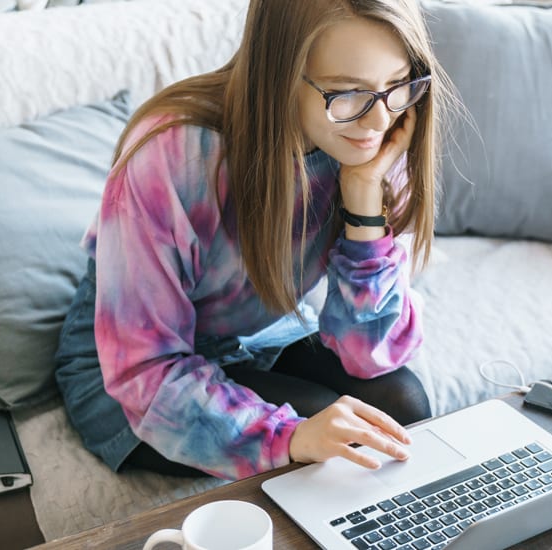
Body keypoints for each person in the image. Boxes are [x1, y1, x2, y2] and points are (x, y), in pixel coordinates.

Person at [54, 0, 453, 481]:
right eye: (348, 93)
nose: (377, 123)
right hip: (131, 372)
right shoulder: (173, 156)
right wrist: (289, 437)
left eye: (397, 83)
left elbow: (368, 353)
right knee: (325, 444)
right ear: (281, 73)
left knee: (399, 404)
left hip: (254, 335)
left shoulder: (383, 128)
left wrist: (364, 200)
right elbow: (144, 370)